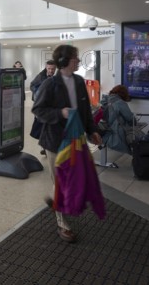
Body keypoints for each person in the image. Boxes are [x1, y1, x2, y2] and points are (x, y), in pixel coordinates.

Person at [32, 45, 102, 243]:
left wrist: (93, 130)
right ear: (63, 61)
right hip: (55, 141)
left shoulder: (79, 82)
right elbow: (38, 110)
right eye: (75, 59)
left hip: (76, 139)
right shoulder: (49, 85)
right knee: (61, 182)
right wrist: (59, 113)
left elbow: (85, 111)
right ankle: (63, 224)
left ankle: (57, 201)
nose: (78, 61)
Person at [99, 85, 135, 154]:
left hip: (104, 131)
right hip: (116, 132)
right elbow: (130, 118)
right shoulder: (120, 103)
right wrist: (134, 123)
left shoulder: (105, 101)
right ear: (123, 94)